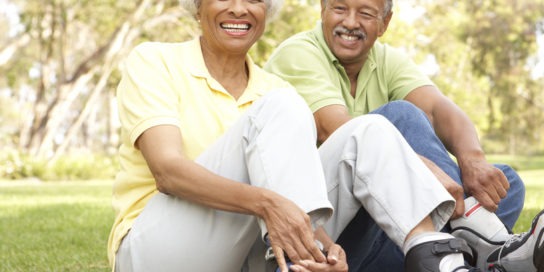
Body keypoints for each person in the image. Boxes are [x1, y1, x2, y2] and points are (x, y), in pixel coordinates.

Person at [108, 0, 490, 271]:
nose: (240, 8)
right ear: (197, 6)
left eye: (254, 0)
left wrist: (326, 248)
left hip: (253, 257)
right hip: (159, 252)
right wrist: (267, 203)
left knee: (368, 130)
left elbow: (293, 189)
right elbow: (168, 172)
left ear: (266, 13)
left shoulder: (274, 89)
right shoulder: (156, 60)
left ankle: (434, 257)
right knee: (284, 106)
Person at [264, 0, 544, 271]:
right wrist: (422, 174)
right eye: (340, 8)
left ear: (385, 23)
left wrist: (473, 160)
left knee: (502, 182)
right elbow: (340, 130)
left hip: (390, 235)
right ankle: (484, 246)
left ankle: (467, 250)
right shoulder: (299, 53)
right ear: (322, 9)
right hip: (328, 239)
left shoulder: (385, 60)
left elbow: (439, 109)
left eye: (366, 13)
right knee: (397, 116)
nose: (350, 22)